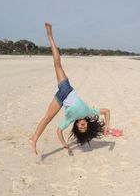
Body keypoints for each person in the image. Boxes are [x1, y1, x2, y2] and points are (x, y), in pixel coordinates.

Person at [29, 23, 110, 154]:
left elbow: (59, 131)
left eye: (81, 128)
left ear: (77, 126)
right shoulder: (89, 112)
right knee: (57, 63)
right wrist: (107, 125)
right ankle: (50, 36)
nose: (83, 126)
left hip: (61, 99)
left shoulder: (70, 120)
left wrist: (65, 144)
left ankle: (33, 139)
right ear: (87, 125)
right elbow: (107, 111)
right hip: (66, 89)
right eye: (85, 127)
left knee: (47, 118)